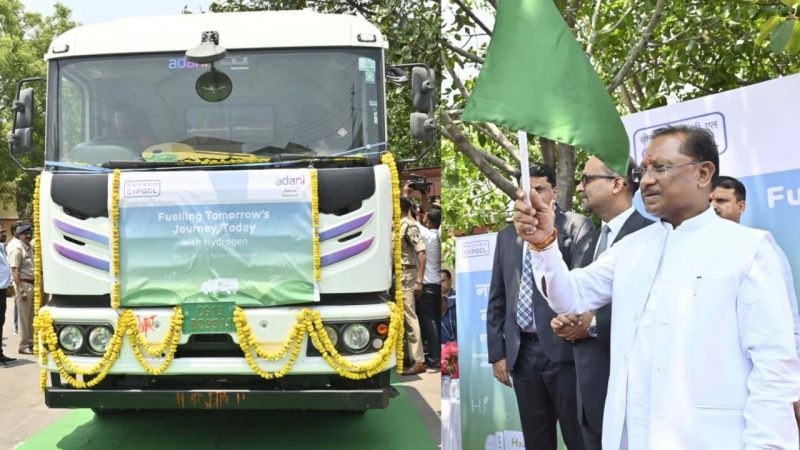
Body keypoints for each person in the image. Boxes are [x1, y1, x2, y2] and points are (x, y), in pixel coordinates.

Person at [513, 125, 800, 449]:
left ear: (704, 173)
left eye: (660, 168)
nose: (647, 180)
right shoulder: (631, 249)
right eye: (646, 169)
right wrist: (543, 244)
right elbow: (569, 297)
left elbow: (774, 370)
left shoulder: (749, 250)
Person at [487, 163, 593, 450]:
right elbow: (498, 298)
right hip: (523, 355)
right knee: (536, 441)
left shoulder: (576, 226)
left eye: (540, 190)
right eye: (526, 192)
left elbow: (583, 289)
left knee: (577, 437)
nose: (532, 198)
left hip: (564, 353)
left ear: (554, 192)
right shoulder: (507, 236)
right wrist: (498, 352)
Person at [550, 157, 652, 450]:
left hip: (628, 391)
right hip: (586, 389)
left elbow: (648, 308)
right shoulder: (588, 241)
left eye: (587, 179)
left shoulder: (650, 237)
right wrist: (565, 319)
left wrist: (593, 325)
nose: (580, 187)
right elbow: (578, 295)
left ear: (617, 184)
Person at [710, 174, 800, 429]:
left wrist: (794, 385)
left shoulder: (758, 247)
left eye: (722, 200)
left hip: (758, 379)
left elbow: (787, 318)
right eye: (709, 201)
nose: (714, 206)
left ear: (741, 207)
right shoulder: (693, 252)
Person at [399, 196, 427, 375]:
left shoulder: (410, 225)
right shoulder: (399, 224)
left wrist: (419, 280)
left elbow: (422, 253)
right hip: (397, 274)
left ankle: (418, 361)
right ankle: (406, 357)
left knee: (410, 316)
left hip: (407, 275)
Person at [9, 224, 35, 355]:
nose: (28, 236)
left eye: (30, 234)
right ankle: (23, 345)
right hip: (24, 285)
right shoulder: (17, 249)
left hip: (32, 284)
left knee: (31, 317)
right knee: (24, 318)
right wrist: (21, 290)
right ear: (19, 235)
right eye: (26, 234)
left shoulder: (29, 248)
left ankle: (30, 342)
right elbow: (15, 271)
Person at [0, 226, 17, 366]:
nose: (4, 234)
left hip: (2, 290)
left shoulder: (2, 248)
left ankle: (0, 355)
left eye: (4, 232)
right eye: (1, 233)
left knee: (1, 322)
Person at [441, 269, 457, 345]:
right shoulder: (433, 303)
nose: (440, 284)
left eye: (443, 281)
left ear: (450, 281)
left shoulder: (459, 298)